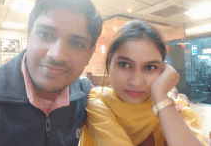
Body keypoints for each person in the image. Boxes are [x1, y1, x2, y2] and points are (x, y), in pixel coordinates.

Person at [0, 0, 102, 146]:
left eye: (76, 43)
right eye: (45, 34)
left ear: (90, 54)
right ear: (29, 35)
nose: (57, 55)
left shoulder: (88, 95)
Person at [79, 20, 209, 146]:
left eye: (149, 67)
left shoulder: (174, 105)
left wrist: (160, 97)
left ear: (162, 70)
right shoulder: (99, 101)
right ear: (109, 64)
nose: (136, 82)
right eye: (124, 64)